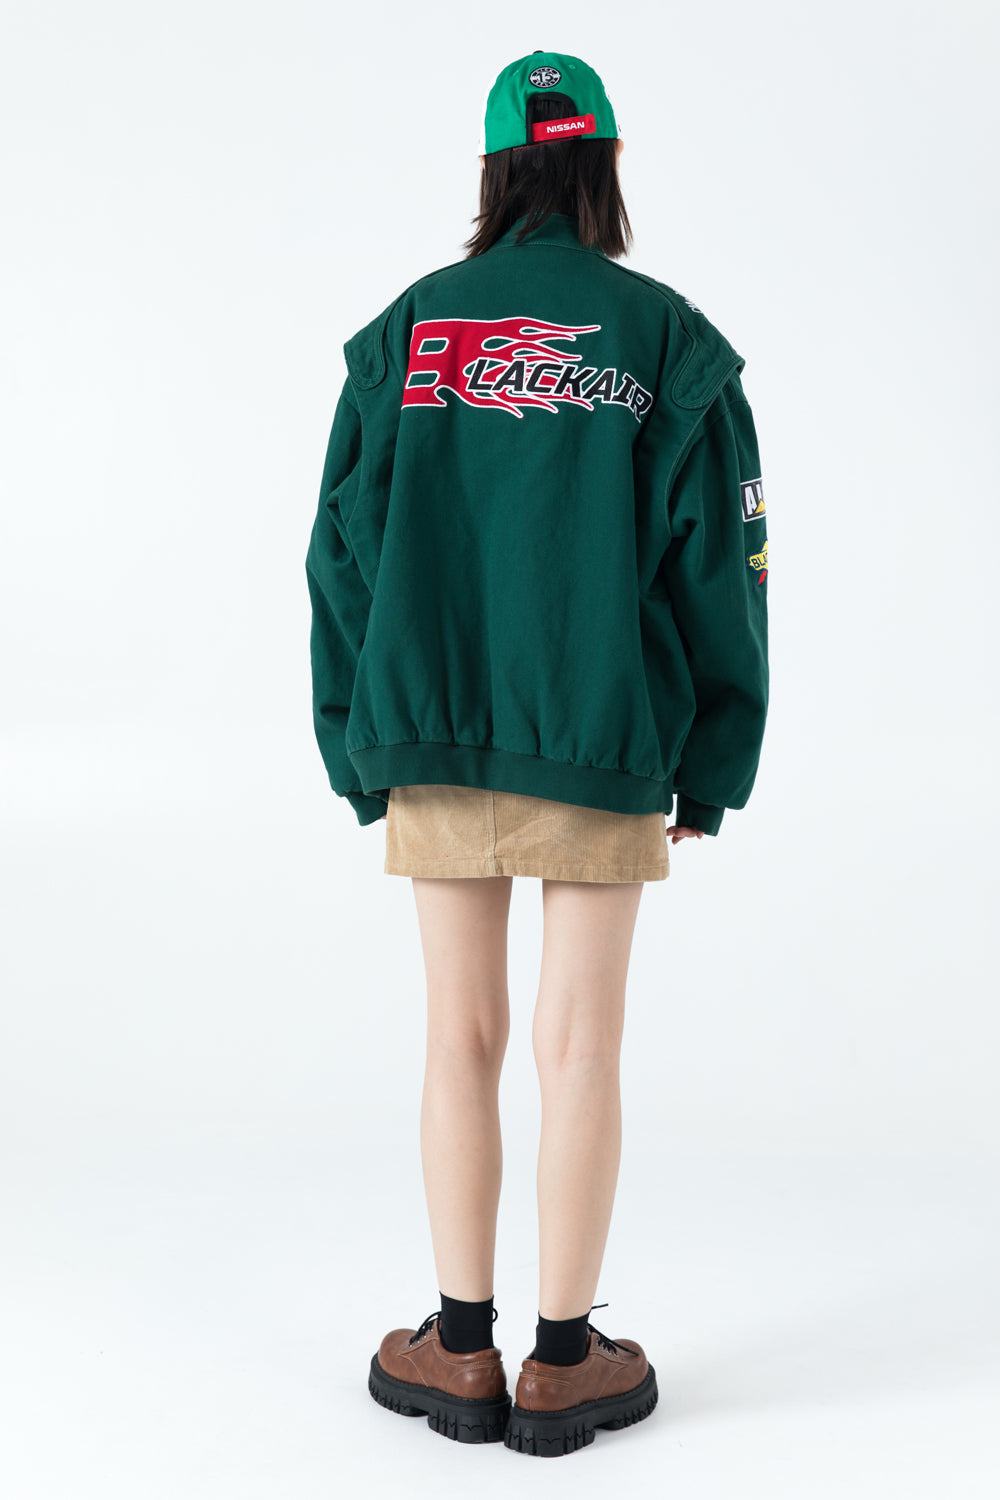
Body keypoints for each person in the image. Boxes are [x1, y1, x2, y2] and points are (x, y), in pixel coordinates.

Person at [304, 49, 769, 1457]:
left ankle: (458, 1349)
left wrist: (361, 735)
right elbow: (722, 562)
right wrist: (713, 757)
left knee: (459, 1033)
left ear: (494, 172)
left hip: (435, 721)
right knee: (581, 1041)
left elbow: (340, 552)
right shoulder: (665, 340)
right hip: (599, 729)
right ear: (605, 166)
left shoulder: (407, 334)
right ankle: (566, 1363)